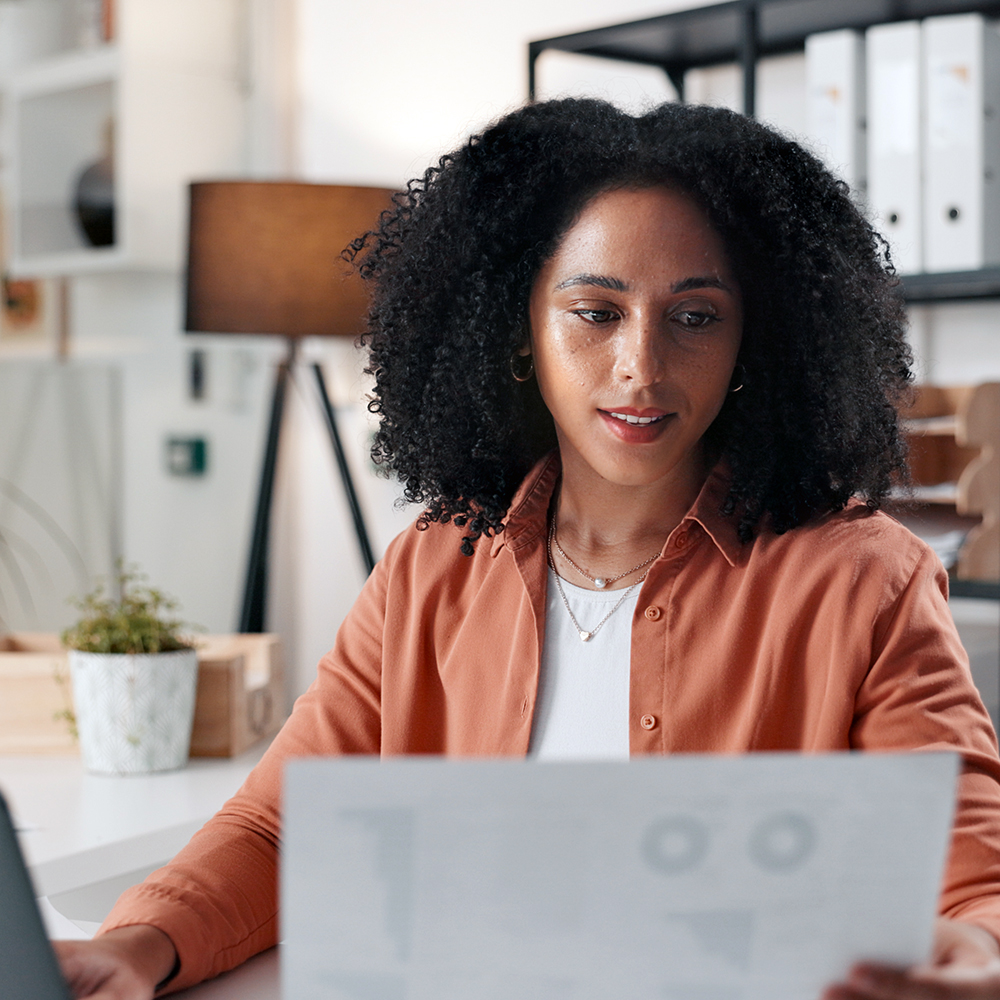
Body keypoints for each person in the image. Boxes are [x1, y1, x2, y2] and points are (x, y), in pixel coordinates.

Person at [55, 99, 1000, 998]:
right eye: (596, 312)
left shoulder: (865, 579)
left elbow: (967, 878)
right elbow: (282, 828)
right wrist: (136, 950)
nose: (642, 364)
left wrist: (981, 952)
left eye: (696, 316)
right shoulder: (433, 566)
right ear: (520, 332)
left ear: (755, 343)